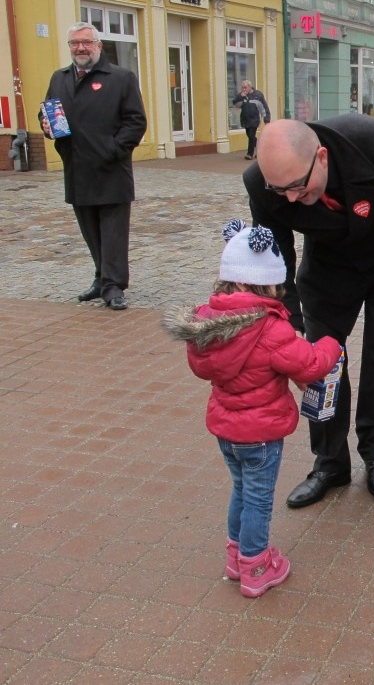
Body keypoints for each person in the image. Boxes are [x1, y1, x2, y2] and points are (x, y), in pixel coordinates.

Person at [243, 117, 374, 508]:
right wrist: (288, 318)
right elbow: (276, 252)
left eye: (299, 186)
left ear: (322, 157)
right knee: (319, 364)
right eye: (281, 191)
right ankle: (330, 462)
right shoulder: (262, 183)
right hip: (328, 269)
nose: (292, 199)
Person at [162, 219, 342, 598]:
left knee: (241, 492)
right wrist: (330, 343)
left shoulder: (208, 324)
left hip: (226, 430)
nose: (278, 295)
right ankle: (256, 566)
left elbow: (201, 369)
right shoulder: (270, 328)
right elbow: (309, 364)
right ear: (252, 285)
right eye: (274, 288)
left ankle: (236, 557)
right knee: (258, 500)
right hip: (261, 435)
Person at [39, 22, 147, 311]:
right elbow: (48, 113)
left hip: (111, 169)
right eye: (75, 43)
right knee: (90, 231)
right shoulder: (59, 78)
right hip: (77, 169)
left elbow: (136, 121)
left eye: (86, 42)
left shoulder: (121, 78)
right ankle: (101, 278)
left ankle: (114, 286)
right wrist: (47, 125)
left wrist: (113, 149)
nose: (80, 48)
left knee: (113, 232)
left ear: (99, 45)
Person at [233, 80, 271, 160]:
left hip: (255, 119)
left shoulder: (258, 95)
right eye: (243, 87)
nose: (244, 89)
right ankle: (260, 147)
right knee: (251, 136)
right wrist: (241, 96)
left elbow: (263, 107)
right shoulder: (242, 96)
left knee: (251, 136)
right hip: (245, 119)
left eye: (245, 87)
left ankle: (249, 154)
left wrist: (266, 118)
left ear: (250, 87)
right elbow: (235, 104)